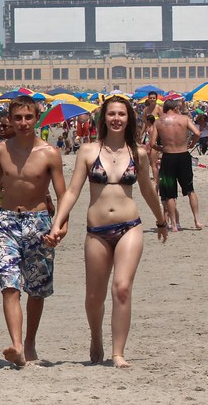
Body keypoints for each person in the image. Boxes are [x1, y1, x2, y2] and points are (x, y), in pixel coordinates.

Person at [46, 95, 169, 368]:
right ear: (104, 118)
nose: (116, 119)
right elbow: (73, 191)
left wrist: (161, 220)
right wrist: (57, 223)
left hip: (130, 227)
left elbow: (148, 190)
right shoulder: (89, 151)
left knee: (122, 288)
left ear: (129, 119)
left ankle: (118, 353)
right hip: (97, 231)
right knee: (94, 297)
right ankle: (96, 336)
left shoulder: (139, 153)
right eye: (111, 114)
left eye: (121, 114)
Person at [0, 96, 67, 367]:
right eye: (18, 118)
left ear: (36, 118)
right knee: (9, 286)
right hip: (6, 221)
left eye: (28, 117)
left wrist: (61, 226)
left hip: (39, 223)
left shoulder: (50, 153)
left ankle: (29, 342)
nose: (23, 123)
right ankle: (16, 345)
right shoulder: (2, 150)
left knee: (36, 289)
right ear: (10, 120)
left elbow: (63, 195)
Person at [148, 99, 203, 230]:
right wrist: (192, 144)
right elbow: (197, 133)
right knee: (190, 190)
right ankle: (197, 221)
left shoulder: (159, 122)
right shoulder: (184, 119)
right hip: (183, 155)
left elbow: (152, 143)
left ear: (165, 109)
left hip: (168, 157)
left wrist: (162, 149)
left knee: (169, 193)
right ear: (175, 108)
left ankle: (173, 224)